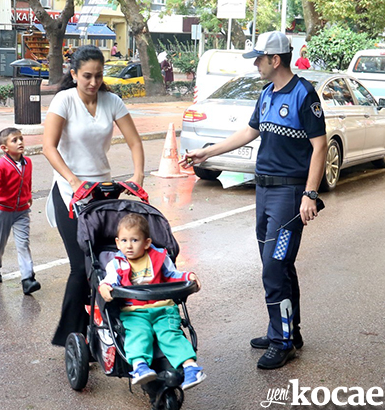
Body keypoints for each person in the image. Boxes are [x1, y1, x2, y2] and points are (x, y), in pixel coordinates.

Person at [181, 31, 327, 370]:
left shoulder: (305, 95)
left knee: (275, 267)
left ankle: (282, 342)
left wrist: (310, 194)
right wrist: (207, 152)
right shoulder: (266, 94)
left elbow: (319, 147)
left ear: (275, 60)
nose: (256, 64)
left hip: (290, 197)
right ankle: (288, 330)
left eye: (259, 58)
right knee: (277, 265)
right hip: (264, 192)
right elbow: (249, 132)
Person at [43, 45, 145, 347]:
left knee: (106, 263)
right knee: (82, 265)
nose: (93, 82)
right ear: (74, 74)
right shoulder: (64, 100)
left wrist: (137, 177)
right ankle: (70, 335)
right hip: (69, 191)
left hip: (103, 192)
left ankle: (104, 330)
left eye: (98, 76)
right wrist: (73, 181)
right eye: (87, 76)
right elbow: (48, 147)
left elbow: (135, 143)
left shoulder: (111, 101)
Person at [99, 214, 206, 389]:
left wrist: (189, 276)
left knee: (171, 335)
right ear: (118, 243)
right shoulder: (116, 264)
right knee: (138, 334)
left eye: (135, 240)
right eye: (124, 241)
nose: (129, 245)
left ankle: (191, 368)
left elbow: (173, 275)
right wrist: (105, 286)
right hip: (134, 311)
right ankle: (140, 366)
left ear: (147, 243)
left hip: (163, 308)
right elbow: (110, 280)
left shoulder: (158, 257)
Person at [0, 127, 41, 294]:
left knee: (23, 244)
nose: (20, 142)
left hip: (22, 211)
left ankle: (27, 279)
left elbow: (28, 181)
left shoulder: (28, 162)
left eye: (21, 139)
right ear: (4, 147)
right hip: (3, 210)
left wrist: (28, 195)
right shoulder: (1, 165)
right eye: (14, 140)